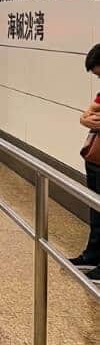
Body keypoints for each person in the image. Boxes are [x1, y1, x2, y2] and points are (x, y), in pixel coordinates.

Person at [70, 44, 100, 280]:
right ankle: (93, 254)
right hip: (95, 155)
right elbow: (89, 111)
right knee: (96, 206)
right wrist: (85, 118)